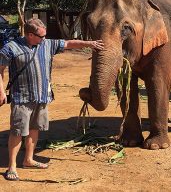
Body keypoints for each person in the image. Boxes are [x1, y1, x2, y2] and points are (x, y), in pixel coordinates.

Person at [0, 18, 104, 181]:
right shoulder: (11, 48)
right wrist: (1, 91)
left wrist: (89, 44)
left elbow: (69, 44)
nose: (44, 39)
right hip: (22, 97)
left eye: (45, 35)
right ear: (29, 35)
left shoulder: (47, 44)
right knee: (18, 131)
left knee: (35, 129)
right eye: (41, 36)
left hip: (41, 96)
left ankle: (28, 159)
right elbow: (0, 70)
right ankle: (11, 166)